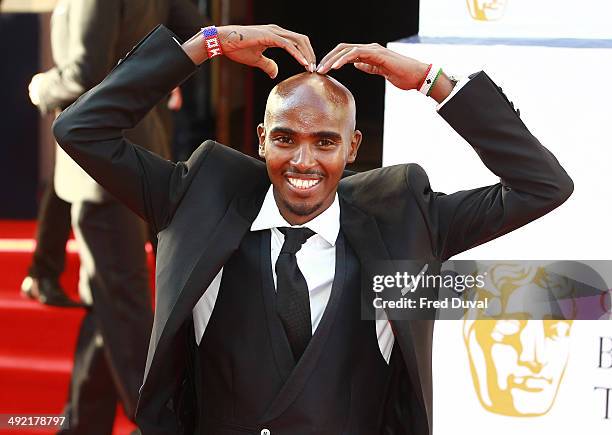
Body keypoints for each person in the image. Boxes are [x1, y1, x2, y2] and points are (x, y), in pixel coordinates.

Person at [52, 23, 573, 435]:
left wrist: (430, 80)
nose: (303, 160)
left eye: (325, 142)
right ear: (260, 140)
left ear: (352, 146)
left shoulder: (406, 217)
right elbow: (80, 129)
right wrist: (206, 46)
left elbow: (542, 185)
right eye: (285, 138)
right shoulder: (196, 200)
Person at [26, 0, 206, 433]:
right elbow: (197, 30)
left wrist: (40, 87)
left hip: (102, 167)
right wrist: (160, 76)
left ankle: (162, 424)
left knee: (123, 305)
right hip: (140, 153)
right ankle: (83, 423)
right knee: (106, 300)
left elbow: (85, 73)